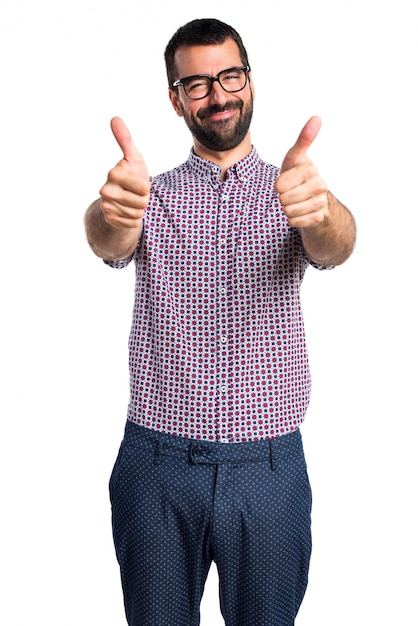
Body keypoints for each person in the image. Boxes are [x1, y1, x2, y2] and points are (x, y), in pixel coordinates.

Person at [84, 17, 356, 626]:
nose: (218, 94)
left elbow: (336, 246)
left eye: (229, 76)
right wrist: (113, 212)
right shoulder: (149, 193)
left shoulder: (293, 191)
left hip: (268, 469)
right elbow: (107, 239)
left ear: (250, 82)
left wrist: (323, 210)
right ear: (177, 98)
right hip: (154, 469)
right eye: (198, 83)